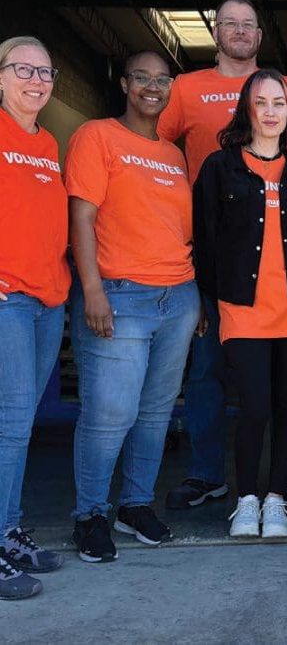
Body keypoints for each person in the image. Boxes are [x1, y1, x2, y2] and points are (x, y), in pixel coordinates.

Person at [159, 0, 287, 511]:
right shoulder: (186, 88)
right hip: (215, 256)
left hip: (285, 271)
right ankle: (206, 474)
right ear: (215, 31)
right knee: (206, 372)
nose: (240, 31)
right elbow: (150, 151)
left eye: (249, 25)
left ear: (260, 36)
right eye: (230, 24)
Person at [66, 51, 200, 563]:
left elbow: (178, 231)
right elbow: (82, 218)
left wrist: (196, 296)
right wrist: (93, 289)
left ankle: (135, 504)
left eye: (162, 80)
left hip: (177, 297)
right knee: (108, 414)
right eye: (141, 77)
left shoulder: (173, 154)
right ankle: (91, 514)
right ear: (124, 83)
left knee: (155, 412)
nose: (152, 86)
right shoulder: (96, 136)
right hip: (119, 294)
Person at [193, 69, 287, 539]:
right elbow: (204, 240)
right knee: (255, 407)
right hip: (241, 309)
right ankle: (247, 499)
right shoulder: (218, 167)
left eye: (279, 104)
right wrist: (207, 302)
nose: (270, 112)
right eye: (261, 102)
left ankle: (276, 499)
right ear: (248, 109)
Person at [0, 36, 70, 600]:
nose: (36, 80)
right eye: (23, 69)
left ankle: (9, 530)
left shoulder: (47, 142)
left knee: (17, 427)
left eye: (45, 71)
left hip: (47, 300)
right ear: (1, 77)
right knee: (9, 423)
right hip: (8, 298)